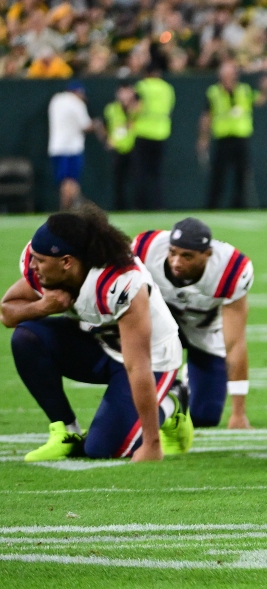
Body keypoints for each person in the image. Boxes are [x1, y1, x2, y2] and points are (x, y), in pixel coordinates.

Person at [1, 207, 188, 462]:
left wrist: (152, 442)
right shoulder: (46, 266)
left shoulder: (120, 283)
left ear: (67, 262)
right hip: (97, 344)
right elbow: (7, 313)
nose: (33, 266)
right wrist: (43, 306)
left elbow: (138, 364)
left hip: (149, 358)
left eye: (40, 260)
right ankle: (66, 431)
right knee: (27, 338)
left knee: (102, 449)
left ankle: (172, 401)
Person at [131, 219, 254, 430]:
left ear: (207, 254)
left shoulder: (230, 270)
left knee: (204, 417)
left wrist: (238, 413)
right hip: (158, 328)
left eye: (187, 256)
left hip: (203, 331)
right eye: (172, 252)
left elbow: (235, 343)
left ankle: (184, 385)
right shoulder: (146, 248)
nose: (176, 262)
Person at [198, 60, 267, 210]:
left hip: (241, 138)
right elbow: (206, 116)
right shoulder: (214, 92)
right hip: (223, 137)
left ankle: (240, 205)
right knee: (218, 175)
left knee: (242, 174)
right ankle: (212, 206)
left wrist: (266, 89)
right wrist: (203, 138)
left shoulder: (244, 90)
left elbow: (260, 100)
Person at [132, 53, 175, 210]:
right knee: (156, 174)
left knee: (141, 173)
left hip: (143, 132)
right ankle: (158, 205)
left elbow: (136, 107)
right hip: (161, 133)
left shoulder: (142, 86)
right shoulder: (167, 88)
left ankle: (141, 206)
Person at [47, 79, 96, 209]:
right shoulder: (77, 103)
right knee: (70, 181)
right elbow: (86, 125)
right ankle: (71, 208)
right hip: (71, 148)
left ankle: (73, 207)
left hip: (56, 147)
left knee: (65, 181)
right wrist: (96, 125)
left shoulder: (56, 100)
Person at [103, 82, 137, 211]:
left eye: (127, 91)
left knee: (135, 181)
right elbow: (106, 126)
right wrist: (108, 140)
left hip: (134, 148)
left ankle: (136, 208)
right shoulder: (111, 109)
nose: (124, 95)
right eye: (122, 92)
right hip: (117, 149)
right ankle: (120, 207)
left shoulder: (137, 107)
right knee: (119, 181)